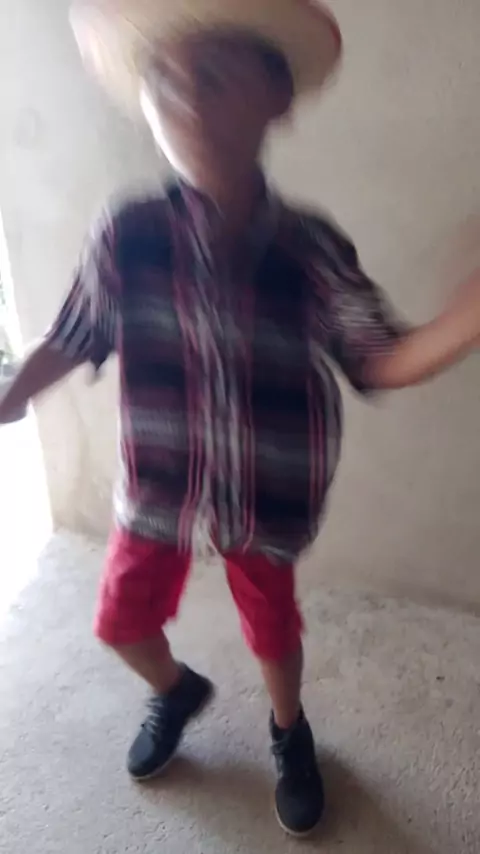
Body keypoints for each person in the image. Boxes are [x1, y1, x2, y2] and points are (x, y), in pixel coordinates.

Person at [1, 0, 480, 838]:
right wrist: (10, 395)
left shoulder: (310, 247)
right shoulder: (128, 231)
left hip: (264, 490)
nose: (186, 98)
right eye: (163, 79)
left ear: (276, 99)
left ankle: (289, 730)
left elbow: (378, 355)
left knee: (273, 629)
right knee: (119, 621)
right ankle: (175, 690)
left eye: (217, 75)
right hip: (159, 485)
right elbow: (74, 334)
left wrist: (460, 323)